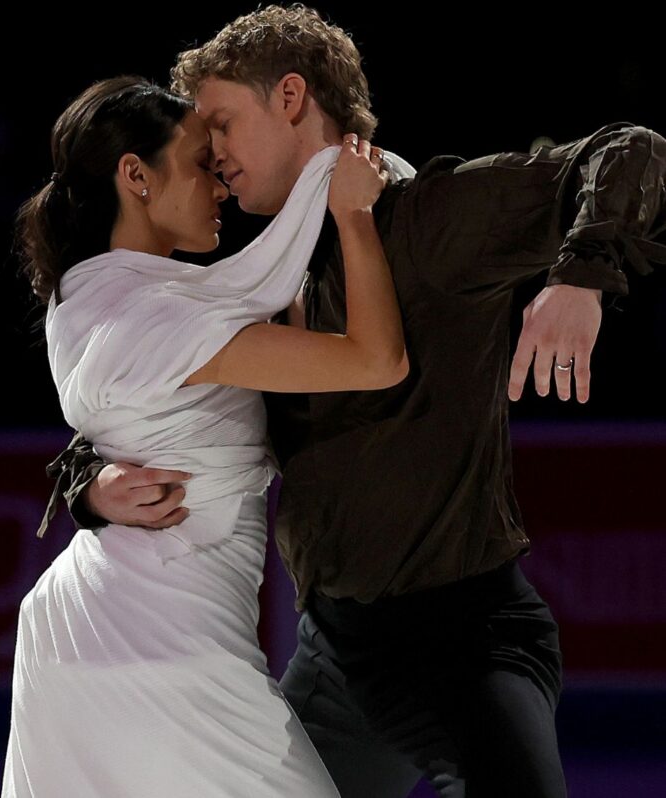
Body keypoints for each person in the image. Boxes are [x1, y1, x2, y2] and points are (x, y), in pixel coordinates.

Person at [51, 6, 666, 797]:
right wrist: (90, 486)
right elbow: (144, 403)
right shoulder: (263, 280)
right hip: (338, 656)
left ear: (292, 97)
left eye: (224, 125)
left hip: (464, 644)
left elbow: (631, 150)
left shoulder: (430, 220)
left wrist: (582, 272)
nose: (215, 156)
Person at [2, 75, 402, 797]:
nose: (220, 182)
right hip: (160, 653)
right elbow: (376, 360)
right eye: (200, 163)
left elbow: (129, 412)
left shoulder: (85, 293)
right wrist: (353, 215)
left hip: (91, 634)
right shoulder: (160, 317)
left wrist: (89, 490)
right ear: (136, 176)